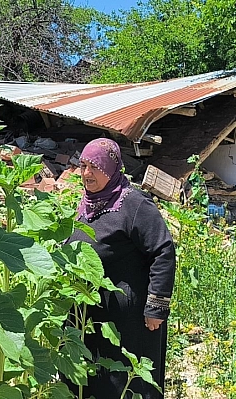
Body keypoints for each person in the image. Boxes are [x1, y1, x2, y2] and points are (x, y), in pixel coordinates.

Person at [67, 138, 176, 399]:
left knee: (125, 383)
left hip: (128, 319)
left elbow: (163, 252)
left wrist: (156, 308)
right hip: (89, 313)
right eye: (83, 166)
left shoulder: (134, 205)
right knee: (95, 380)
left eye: (95, 167)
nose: (86, 174)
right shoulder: (87, 203)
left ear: (111, 168)